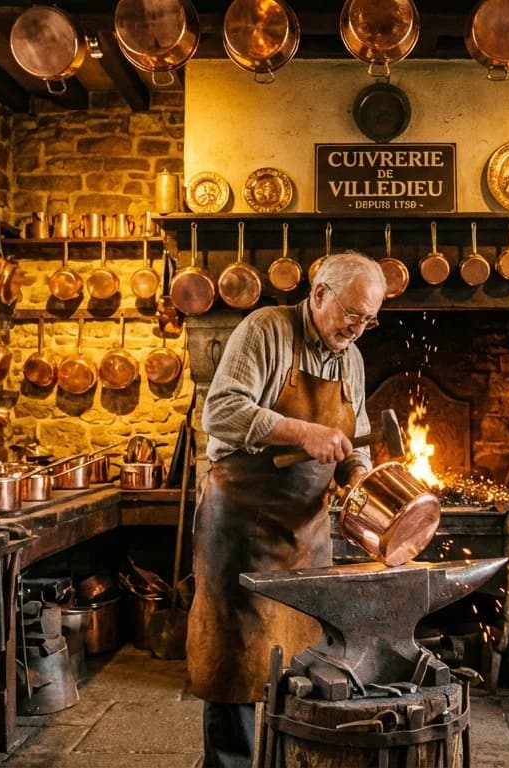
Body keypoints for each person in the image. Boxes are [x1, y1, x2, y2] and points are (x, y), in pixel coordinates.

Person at [188, 251, 386, 768]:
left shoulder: (352, 359)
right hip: (241, 523)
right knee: (234, 658)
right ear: (320, 293)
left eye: (369, 320)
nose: (358, 329)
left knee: (302, 658)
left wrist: (357, 476)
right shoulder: (265, 330)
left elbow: (355, 437)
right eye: (353, 315)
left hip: (305, 531)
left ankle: (287, 758)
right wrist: (303, 430)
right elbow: (222, 412)